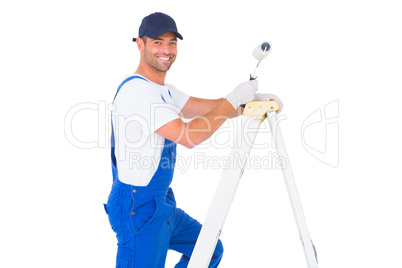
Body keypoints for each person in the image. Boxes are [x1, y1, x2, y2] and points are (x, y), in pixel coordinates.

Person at [104, 12, 282, 268]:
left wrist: (251, 104)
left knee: (208, 249)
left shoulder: (163, 91)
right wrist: (233, 99)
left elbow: (209, 109)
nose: (166, 49)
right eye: (157, 42)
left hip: (159, 203)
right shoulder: (139, 93)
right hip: (138, 208)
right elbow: (187, 136)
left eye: (172, 42)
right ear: (140, 44)